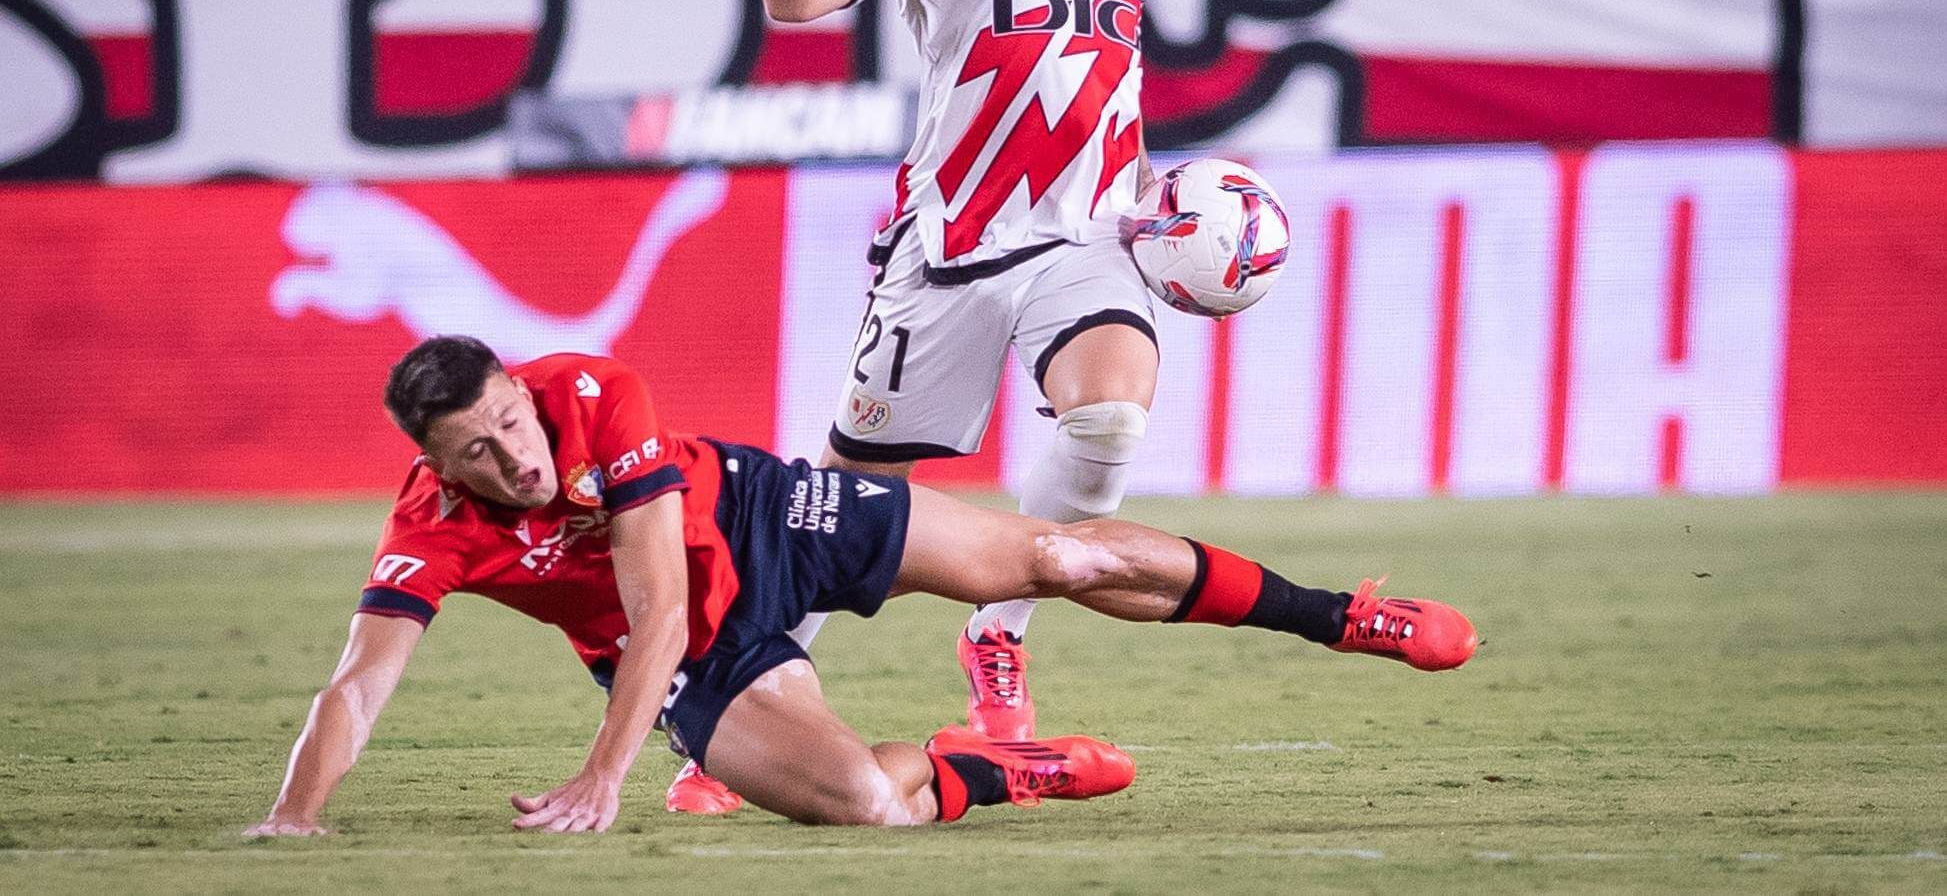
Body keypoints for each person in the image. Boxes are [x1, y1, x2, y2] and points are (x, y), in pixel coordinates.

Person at [246, 337, 1476, 835]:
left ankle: (1340, 615)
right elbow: (358, 685)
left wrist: (604, 775)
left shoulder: (588, 391)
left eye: (512, 422)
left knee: (1062, 555)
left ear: (522, 388)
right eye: (481, 452)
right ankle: (1003, 771)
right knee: (860, 809)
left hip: (767, 517)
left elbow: (660, 590)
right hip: (684, 660)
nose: (518, 457)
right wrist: (295, 817)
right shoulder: (432, 530)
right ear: (436, 465)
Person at [732, 0, 1204, 815]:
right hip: (947, 249)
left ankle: (998, 632)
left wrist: (1153, 202)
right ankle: (735, 705)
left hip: (1081, 244)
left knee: (1108, 416)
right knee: (838, 513)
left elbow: (1105, 86)